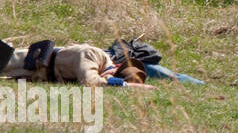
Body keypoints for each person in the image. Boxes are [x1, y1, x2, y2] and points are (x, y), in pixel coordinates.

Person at [1, 39, 149, 87]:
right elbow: (89, 81)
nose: (108, 78)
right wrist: (121, 84)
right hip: (23, 61)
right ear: (114, 68)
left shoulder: (101, 65)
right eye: (112, 75)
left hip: (32, 72)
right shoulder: (93, 54)